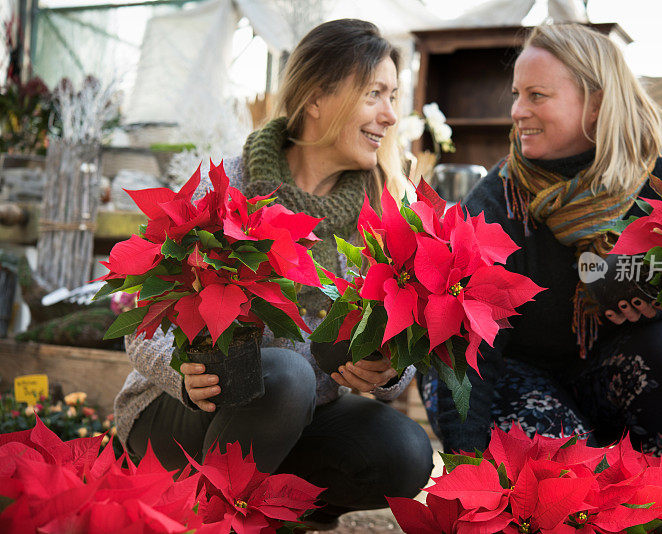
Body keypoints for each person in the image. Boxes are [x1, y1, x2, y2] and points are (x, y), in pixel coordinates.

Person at [114, 19, 433, 528]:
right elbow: (141, 322)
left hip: (298, 417)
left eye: (393, 96)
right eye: (374, 94)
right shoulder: (229, 185)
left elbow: (402, 342)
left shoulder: (384, 211)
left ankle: (277, 507)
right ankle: (214, 515)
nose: (391, 116)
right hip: (187, 416)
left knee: (406, 452)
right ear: (316, 99)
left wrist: (389, 370)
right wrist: (183, 373)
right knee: (287, 374)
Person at [419, 23, 662, 458]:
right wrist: (467, 462)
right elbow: (469, 351)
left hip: (607, 374)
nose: (517, 110)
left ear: (596, 104)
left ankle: (654, 506)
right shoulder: (498, 199)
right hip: (510, 372)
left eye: (536, 95)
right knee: (563, 481)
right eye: (516, 94)